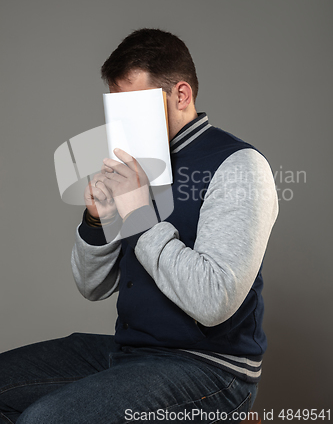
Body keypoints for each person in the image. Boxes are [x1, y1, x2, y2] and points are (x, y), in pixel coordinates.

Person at [0, 28, 278, 424]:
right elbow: (92, 286)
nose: (121, 125)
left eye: (134, 107)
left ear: (181, 95)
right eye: (116, 109)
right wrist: (97, 220)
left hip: (212, 370)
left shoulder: (239, 166)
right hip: (129, 353)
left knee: (45, 419)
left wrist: (138, 215)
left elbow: (214, 301)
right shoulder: (139, 163)